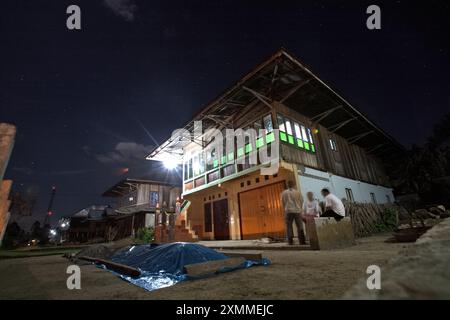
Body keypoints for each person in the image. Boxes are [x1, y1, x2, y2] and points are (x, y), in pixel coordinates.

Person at [281, 180, 306, 245]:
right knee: (299, 226)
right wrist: (300, 208)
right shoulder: (297, 192)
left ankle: (290, 241)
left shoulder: (283, 193)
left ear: (287, 184)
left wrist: (285, 209)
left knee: (289, 226)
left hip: (288, 211)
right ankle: (302, 241)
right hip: (297, 211)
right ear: (294, 185)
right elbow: (302, 201)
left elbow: (283, 203)